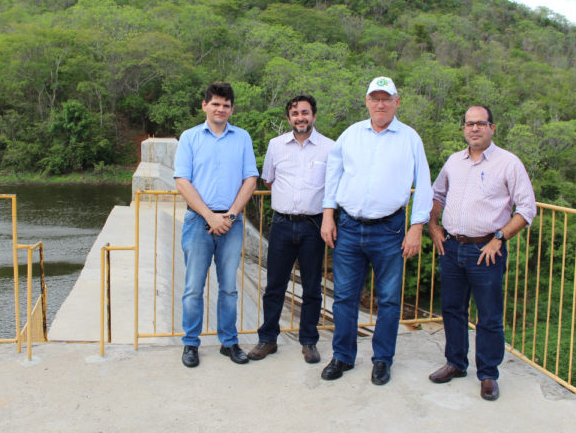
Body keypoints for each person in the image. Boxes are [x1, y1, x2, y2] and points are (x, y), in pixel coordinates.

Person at [320, 76, 433, 385]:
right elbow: (334, 175)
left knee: (388, 299)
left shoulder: (410, 138)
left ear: (397, 102)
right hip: (349, 227)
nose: (380, 103)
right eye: (375, 98)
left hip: (390, 230)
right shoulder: (351, 135)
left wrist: (416, 227)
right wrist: (328, 216)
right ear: (367, 101)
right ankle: (342, 356)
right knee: (343, 296)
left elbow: (423, 184)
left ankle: (382, 359)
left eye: (387, 98)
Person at [427, 105, 536, 401]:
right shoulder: (453, 161)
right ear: (463, 128)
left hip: (486, 250)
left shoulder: (509, 163)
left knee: (488, 315)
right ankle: (455, 363)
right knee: (452, 309)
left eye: (480, 124)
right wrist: (434, 227)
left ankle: (488, 374)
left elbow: (527, 209)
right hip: (451, 247)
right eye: (469, 124)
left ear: (492, 127)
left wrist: (500, 237)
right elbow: (437, 195)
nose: (474, 129)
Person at [173, 82, 258, 368]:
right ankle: (190, 343)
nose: (221, 109)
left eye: (226, 105)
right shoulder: (190, 137)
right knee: (193, 287)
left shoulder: (242, 137)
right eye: (215, 104)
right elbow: (182, 180)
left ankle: (229, 342)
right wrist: (210, 216)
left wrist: (231, 216)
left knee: (229, 288)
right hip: (199, 221)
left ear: (232, 109)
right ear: (204, 105)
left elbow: (250, 179)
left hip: (231, 222)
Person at [247, 95, 334, 364]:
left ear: (314, 116)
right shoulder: (275, 146)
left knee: (311, 288)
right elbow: (270, 180)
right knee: (274, 285)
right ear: (288, 118)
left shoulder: (330, 148)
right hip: (282, 224)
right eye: (295, 113)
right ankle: (268, 339)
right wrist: (289, 205)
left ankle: (308, 341)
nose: (300, 117)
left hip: (314, 226)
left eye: (305, 112)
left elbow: (332, 187)